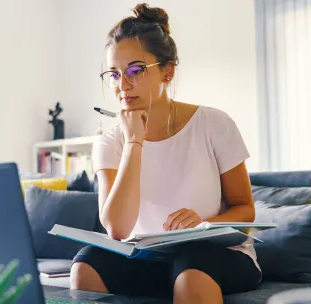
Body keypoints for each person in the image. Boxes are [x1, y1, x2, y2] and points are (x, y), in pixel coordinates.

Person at [70, 3, 261, 303]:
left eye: (135, 70)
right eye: (114, 74)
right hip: (150, 258)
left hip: (214, 255)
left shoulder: (214, 124)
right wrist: (134, 142)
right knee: (87, 262)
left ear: (167, 71)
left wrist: (204, 223)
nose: (123, 85)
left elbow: (245, 211)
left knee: (192, 263)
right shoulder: (109, 142)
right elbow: (117, 229)